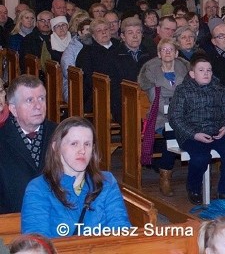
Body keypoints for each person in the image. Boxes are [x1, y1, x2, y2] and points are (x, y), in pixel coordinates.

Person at [20, 116, 130, 238]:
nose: (82, 150)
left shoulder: (106, 182)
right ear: (56, 147)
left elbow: (121, 232)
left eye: (87, 144)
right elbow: (37, 243)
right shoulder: (38, 188)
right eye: (74, 144)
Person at [168, 55, 225, 205]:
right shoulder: (183, 91)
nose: (206, 73)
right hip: (192, 135)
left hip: (217, 133)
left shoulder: (219, 88)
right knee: (200, 157)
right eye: (201, 70)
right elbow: (175, 118)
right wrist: (194, 134)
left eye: (209, 70)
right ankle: (194, 187)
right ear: (192, 74)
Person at [137, 38, 189, 196]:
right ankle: (165, 175)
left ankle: (196, 178)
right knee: (172, 136)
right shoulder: (152, 73)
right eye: (164, 50)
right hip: (161, 117)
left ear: (176, 53)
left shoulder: (185, 71)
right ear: (159, 54)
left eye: (170, 50)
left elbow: (189, 95)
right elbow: (156, 101)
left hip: (184, 116)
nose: (167, 52)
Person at [0, 75, 58, 213]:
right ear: (13, 109)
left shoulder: (59, 134)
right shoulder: (2, 138)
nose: (38, 106)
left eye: (41, 99)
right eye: (29, 100)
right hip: (12, 219)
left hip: (56, 218)